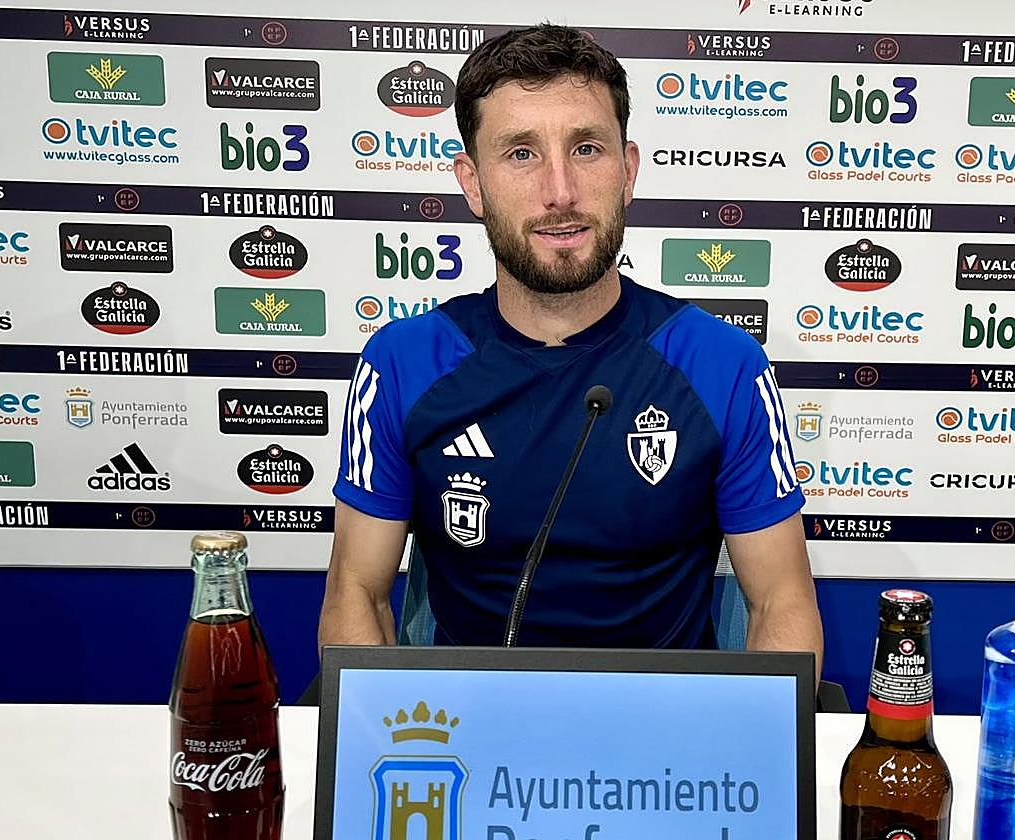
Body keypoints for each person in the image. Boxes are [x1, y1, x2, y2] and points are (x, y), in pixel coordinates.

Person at [318, 24, 822, 668]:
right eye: (521, 153)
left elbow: (782, 602)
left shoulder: (721, 364)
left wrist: (755, 755)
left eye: (586, 148)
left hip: (668, 746)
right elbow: (356, 593)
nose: (560, 190)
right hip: (466, 739)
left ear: (628, 169)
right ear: (472, 183)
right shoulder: (404, 364)